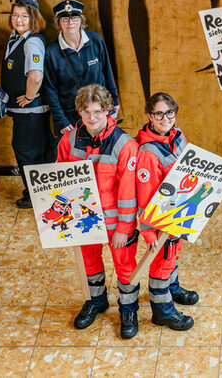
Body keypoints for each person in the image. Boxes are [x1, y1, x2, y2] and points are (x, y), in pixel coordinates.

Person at [58, 84, 141, 338]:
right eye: (86, 111)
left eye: (97, 111)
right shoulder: (67, 141)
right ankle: (96, 301)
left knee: (125, 266)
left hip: (116, 223)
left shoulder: (124, 145)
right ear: (79, 112)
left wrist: (123, 229)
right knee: (89, 262)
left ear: (108, 111)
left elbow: (129, 194)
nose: (91, 118)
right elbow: (60, 182)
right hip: (83, 220)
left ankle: (128, 309)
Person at [135, 92, 199, 331]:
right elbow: (144, 198)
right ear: (150, 115)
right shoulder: (147, 153)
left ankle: (173, 288)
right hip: (160, 221)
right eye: (159, 113)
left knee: (174, 254)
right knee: (162, 261)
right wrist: (150, 234)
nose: (165, 118)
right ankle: (163, 311)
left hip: (181, 211)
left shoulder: (178, 134)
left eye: (169, 112)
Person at [0, 0, 54, 208]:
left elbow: (36, 75)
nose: (18, 20)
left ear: (34, 18)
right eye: (15, 15)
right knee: (32, 151)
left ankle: (36, 196)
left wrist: (30, 96)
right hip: (24, 112)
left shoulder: (31, 41)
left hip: (30, 111)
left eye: (24, 16)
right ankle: (37, 191)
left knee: (28, 152)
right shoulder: (17, 37)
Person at [43, 0, 119, 136]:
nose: (70, 22)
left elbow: (107, 71)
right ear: (59, 22)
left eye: (74, 18)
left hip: (99, 113)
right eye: (65, 18)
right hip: (70, 118)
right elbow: (51, 90)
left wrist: (115, 100)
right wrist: (61, 120)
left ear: (81, 21)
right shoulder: (52, 52)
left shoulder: (95, 40)